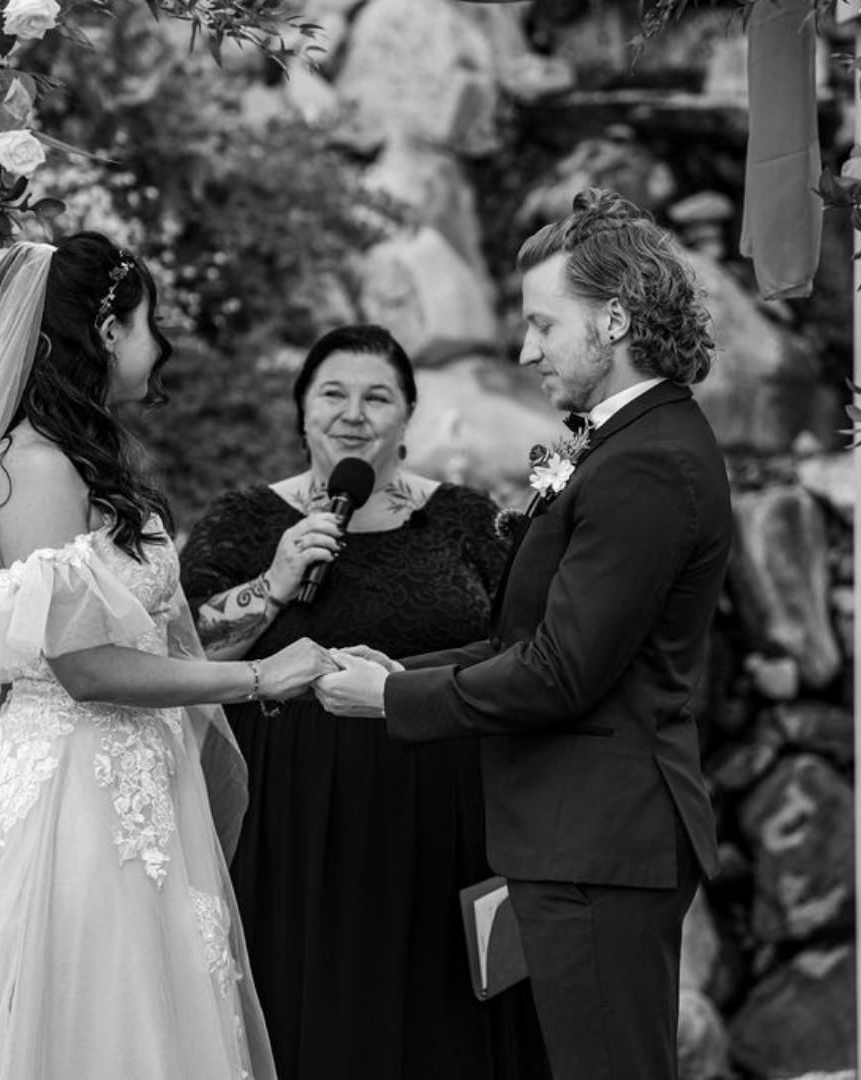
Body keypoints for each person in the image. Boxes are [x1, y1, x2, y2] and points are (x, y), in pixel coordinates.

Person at [0, 234, 336, 1080]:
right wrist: (261, 678)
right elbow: (86, 668)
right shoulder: (37, 470)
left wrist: (271, 588)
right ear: (108, 332)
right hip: (72, 803)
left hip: (131, 791)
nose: (164, 346)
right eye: (152, 324)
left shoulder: (86, 463)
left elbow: (152, 634)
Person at [315, 190, 731, 1080]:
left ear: (614, 319)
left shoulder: (649, 462)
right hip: (576, 838)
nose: (525, 351)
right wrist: (396, 668)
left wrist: (390, 699)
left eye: (543, 324)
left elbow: (560, 672)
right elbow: (528, 633)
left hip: (600, 846)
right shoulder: (618, 445)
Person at [179, 324, 550, 1080]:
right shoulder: (246, 520)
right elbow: (186, 657)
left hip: (445, 813)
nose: (353, 414)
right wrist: (273, 584)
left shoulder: (467, 519)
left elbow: (524, 646)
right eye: (333, 394)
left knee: (440, 1022)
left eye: (377, 397)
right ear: (301, 410)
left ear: (407, 414)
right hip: (294, 821)